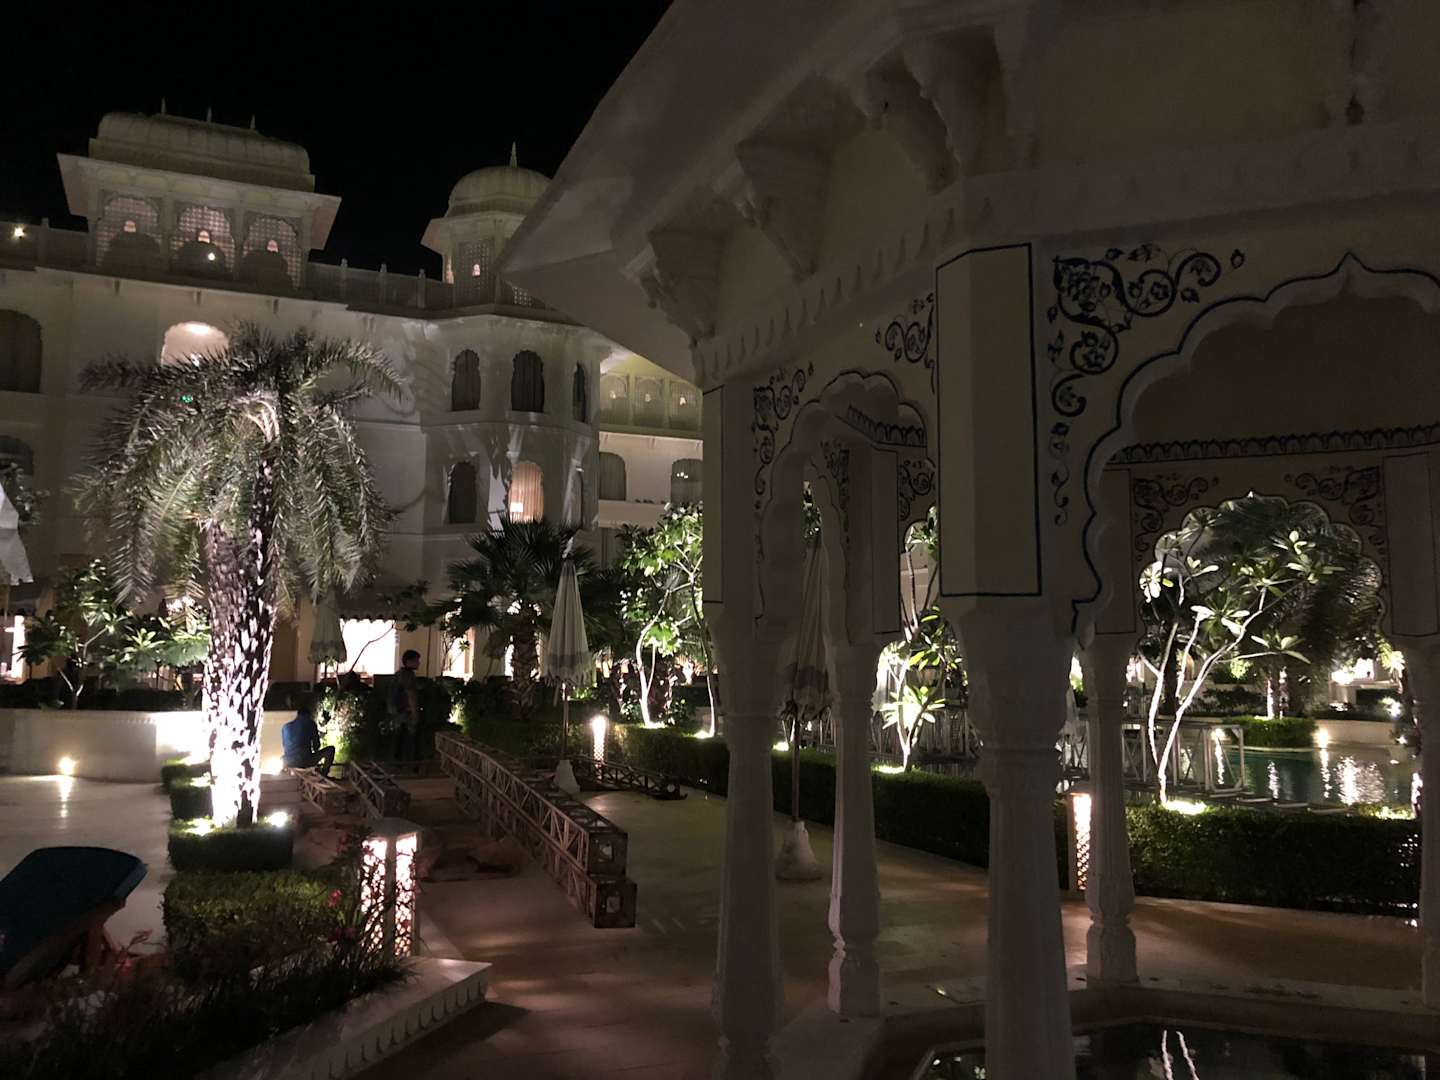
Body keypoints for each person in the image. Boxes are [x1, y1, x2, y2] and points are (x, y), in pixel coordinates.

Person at [281, 694, 336, 776]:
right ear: (309, 715)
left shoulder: (285, 727)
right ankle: (324, 774)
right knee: (331, 750)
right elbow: (316, 747)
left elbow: (285, 746)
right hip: (304, 761)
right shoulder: (310, 723)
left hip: (288, 761)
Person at [389, 649, 422, 761]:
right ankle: (411, 764)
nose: (419, 663)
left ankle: (397, 763)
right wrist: (415, 713)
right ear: (409, 661)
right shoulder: (408, 676)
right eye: (416, 660)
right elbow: (411, 695)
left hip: (396, 712)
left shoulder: (399, 674)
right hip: (406, 712)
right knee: (411, 740)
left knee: (398, 739)